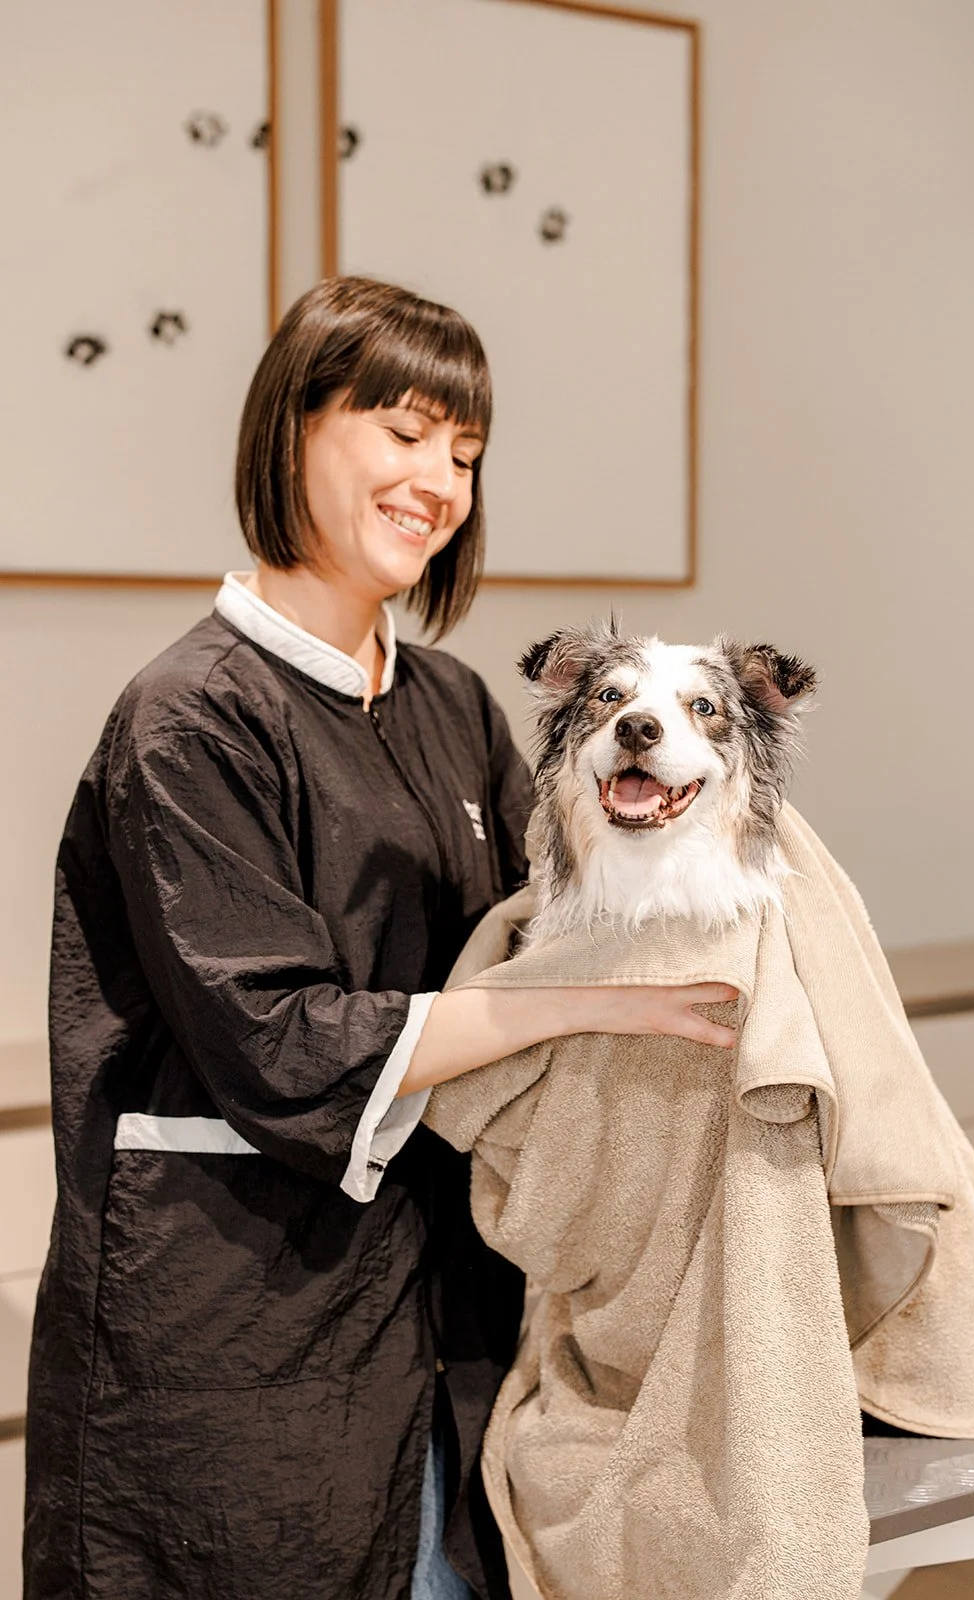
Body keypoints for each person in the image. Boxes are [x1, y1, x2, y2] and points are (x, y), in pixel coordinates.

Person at [23, 276, 738, 1600]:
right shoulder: (188, 723)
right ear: (290, 428)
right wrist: (564, 1011)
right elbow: (274, 1036)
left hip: (436, 1300)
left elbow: (554, 922)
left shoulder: (454, 705)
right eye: (404, 431)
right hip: (230, 1319)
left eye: (464, 452)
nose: (440, 480)